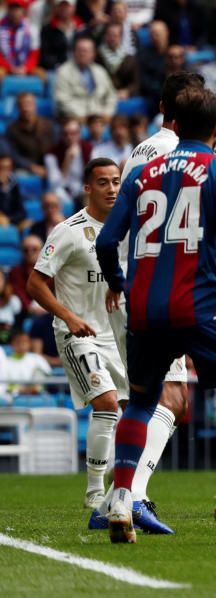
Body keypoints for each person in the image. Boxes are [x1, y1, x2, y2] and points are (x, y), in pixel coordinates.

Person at [96, 87, 216, 545]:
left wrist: (120, 287)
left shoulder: (141, 173)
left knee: (140, 401)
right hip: (198, 305)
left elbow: (105, 243)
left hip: (143, 309)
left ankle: (121, 497)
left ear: (173, 126)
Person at [26, 157, 175, 534]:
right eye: (103, 182)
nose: (111, 188)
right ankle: (95, 494)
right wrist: (69, 317)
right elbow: (35, 284)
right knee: (107, 405)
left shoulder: (129, 228)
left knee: (136, 412)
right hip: (78, 332)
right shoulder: (68, 231)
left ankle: (119, 496)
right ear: (87, 188)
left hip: (118, 333)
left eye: (115, 182)